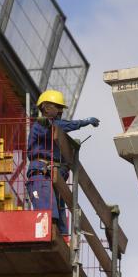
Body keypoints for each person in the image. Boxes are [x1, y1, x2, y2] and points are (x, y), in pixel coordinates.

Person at [26, 89, 100, 235]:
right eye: (58, 107)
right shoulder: (41, 125)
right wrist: (84, 122)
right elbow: (61, 126)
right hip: (42, 174)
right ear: (46, 107)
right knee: (48, 213)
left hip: (55, 178)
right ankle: (48, 237)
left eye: (61, 108)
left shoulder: (55, 129)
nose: (61, 111)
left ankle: (61, 239)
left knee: (60, 221)